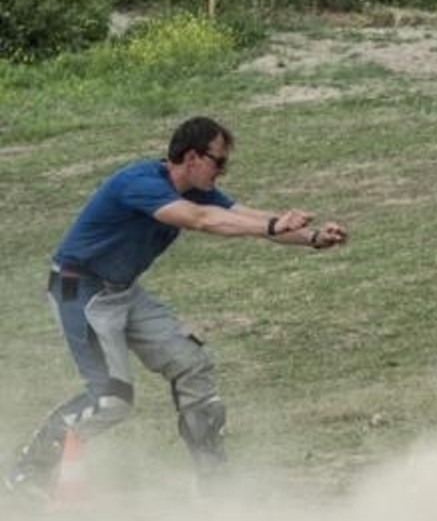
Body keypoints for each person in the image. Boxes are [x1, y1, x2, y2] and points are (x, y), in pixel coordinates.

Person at [4, 116, 348, 499]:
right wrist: (272, 226)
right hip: (81, 290)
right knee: (110, 399)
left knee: (192, 363)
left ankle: (214, 484)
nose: (223, 171)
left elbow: (245, 216)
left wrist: (312, 237)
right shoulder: (141, 184)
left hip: (121, 290)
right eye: (219, 161)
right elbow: (203, 221)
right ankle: (27, 473)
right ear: (192, 157)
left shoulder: (196, 190)